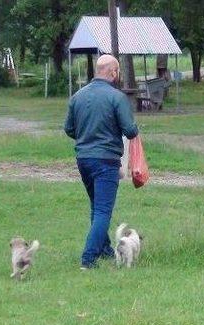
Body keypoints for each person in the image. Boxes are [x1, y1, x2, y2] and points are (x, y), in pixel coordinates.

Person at [64, 54, 138, 269]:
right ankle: (88, 258)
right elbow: (130, 130)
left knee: (96, 206)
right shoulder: (116, 97)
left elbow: (69, 129)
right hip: (106, 160)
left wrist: (86, 137)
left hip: (83, 159)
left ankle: (104, 248)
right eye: (117, 72)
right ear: (113, 72)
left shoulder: (77, 96)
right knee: (103, 211)